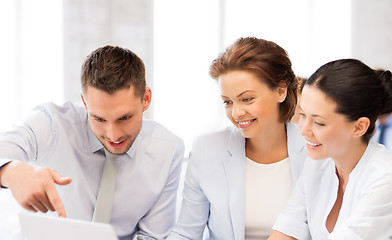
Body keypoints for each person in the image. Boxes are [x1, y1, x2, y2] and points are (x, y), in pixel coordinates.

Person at [0, 45, 185, 239]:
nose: (113, 135)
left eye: (124, 118)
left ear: (146, 99)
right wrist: (11, 171)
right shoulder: (52, 124)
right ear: (85, 102)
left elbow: (152, 236)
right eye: (99, 119)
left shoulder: (169, 151)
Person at [168, 37, 307, 240]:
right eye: (227, 102)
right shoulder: (208, 148)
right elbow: (186, 233)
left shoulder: (316, 150)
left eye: (247, 99)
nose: (236, 112)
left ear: (280, 91)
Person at [269, 59, 392, 239]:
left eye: (319, 122)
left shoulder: (384, 179)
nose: (303, 130)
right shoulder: (318, 161)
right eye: (302, 115)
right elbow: (289, 226)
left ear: (359, 127)